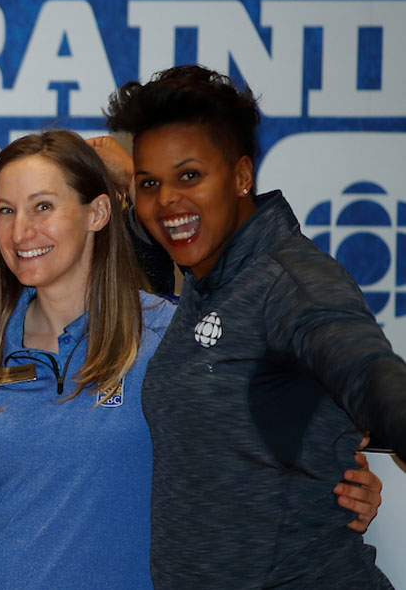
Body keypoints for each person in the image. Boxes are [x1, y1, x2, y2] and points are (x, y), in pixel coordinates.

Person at [104, 65, 406, 589]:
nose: (168, 200)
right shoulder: (208, 273)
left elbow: (372, 376)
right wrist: (108, 167)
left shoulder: (292, 281)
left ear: (242, 176)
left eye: (190, 175)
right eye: (151, 182)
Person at [0, 129, 173, 588]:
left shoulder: (161, 336)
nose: (20, 232)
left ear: (97, 212)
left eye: (43, 207)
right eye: (6, 211)